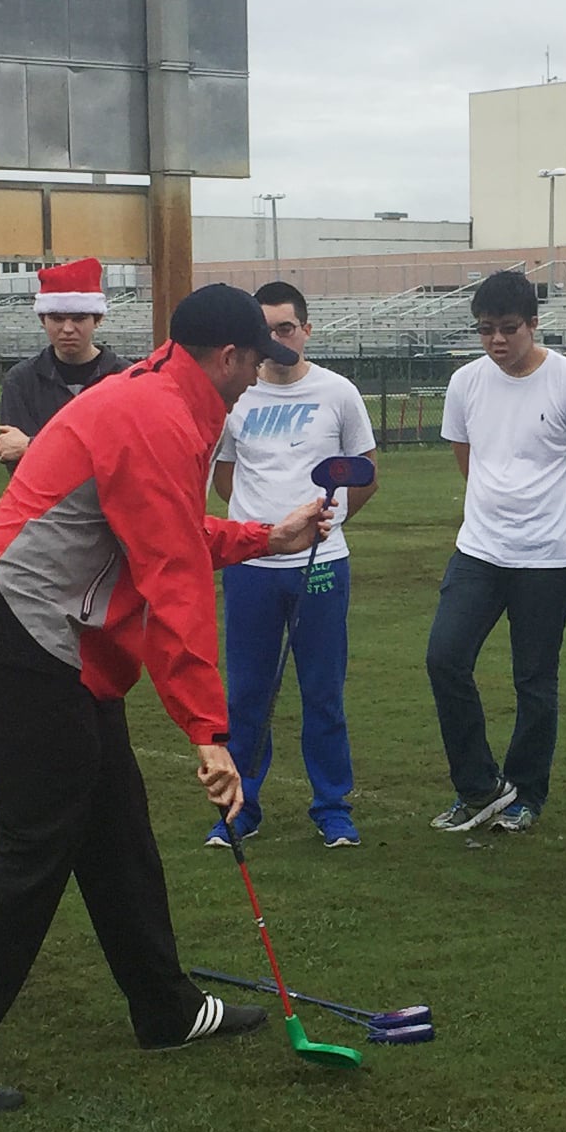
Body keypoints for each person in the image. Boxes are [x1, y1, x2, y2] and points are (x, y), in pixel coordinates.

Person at [0, 287, 329, 1120]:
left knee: (115, 827)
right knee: (35, 849)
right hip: (24, 634)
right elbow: (173, 580)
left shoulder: (168, 401)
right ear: (228, 357)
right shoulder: (156, 416)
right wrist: (209, 732)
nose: (262, 372)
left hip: (60, 644)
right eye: (259, 358)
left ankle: (166, 1006)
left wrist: (265, 536)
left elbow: (171, 533)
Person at [425, 268, 566, 834]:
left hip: (548, 558)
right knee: (444, 658)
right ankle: (480, 786)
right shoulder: (466, 383)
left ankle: (527, 791)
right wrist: (495, 507)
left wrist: (548, 512)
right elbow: (467, 452)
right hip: (478, 551)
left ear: (534, 324)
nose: (497, 341)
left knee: (534, 679)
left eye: (508, 329)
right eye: (486, 330)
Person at [206, 281, 379, 849]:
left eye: (286, 328)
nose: (277, 339)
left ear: (306, 330)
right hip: (252, 567)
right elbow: (226, 474)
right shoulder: (238, 395)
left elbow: (363, 471)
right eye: (266, 331)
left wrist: (331, 522)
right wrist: (256, 531)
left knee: (322, 692)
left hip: (321, 565)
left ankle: (332, 806)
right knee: (248, 693)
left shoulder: (339, 393)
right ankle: (241, 807)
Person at [0, 258, 127, 469]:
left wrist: (31, 445)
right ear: (42, 320)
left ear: (98, 319)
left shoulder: (126, 378)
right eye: (57, 318)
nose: (67, 328)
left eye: (79, 318)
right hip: (44, 501)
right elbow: (17, 462)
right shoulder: (21, 380)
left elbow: (127, 455)